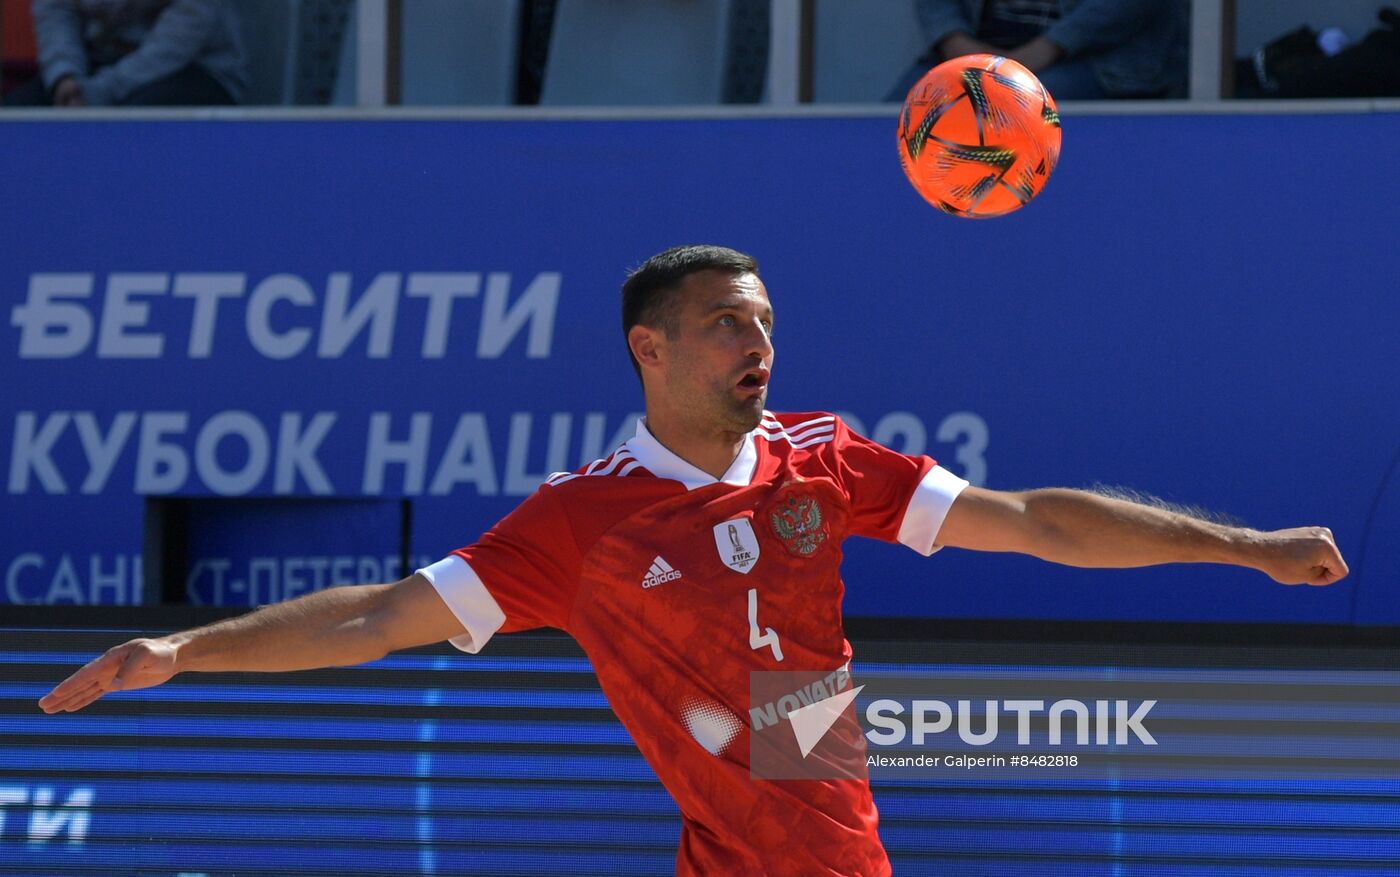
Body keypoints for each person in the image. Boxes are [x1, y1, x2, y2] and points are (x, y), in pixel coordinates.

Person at [39, 245, 1347, 876]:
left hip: (825, 846)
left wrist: (1248, 551)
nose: (757, 343)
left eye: (766, 322)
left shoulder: (825, 464)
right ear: (649, 350)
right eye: (726, 324)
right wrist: (181, 649)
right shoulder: (584, 521)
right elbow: (381, 616)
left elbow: (1038, 521)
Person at [887, 0, 1189, 102]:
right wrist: (955, 42)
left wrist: (1047, 49)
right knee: (886, 121)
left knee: (999, 110)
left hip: (1094, 59)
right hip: (973, 50)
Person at [3, 0, 246, 108]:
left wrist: (99, 92)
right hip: (94, 67)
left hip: (194, 70)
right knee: (17, 113)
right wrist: (64, 77)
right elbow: (57, 12)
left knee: (132, 125)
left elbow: (178, 40)